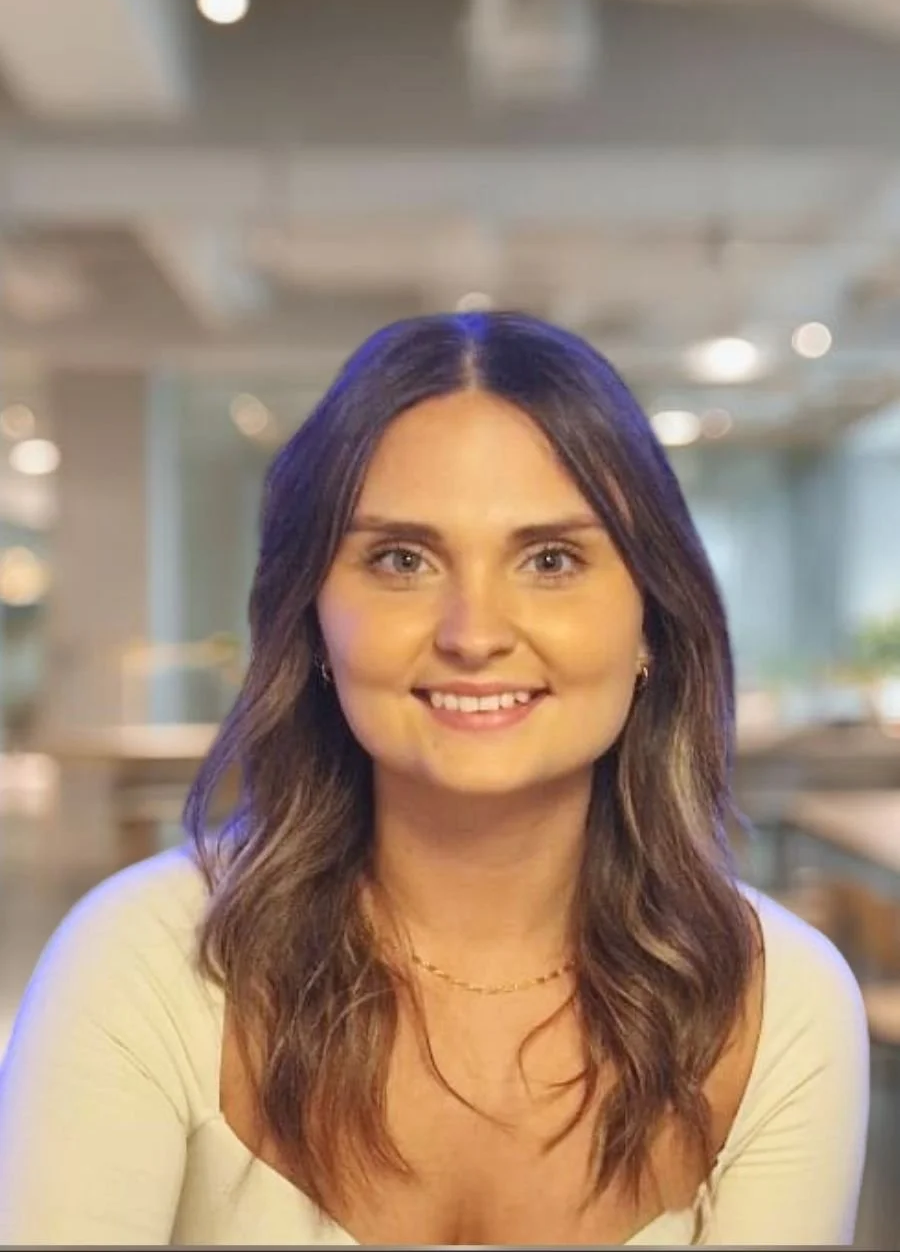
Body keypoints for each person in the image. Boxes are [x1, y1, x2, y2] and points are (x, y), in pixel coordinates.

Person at [0, 311, 869, 1247]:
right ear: (315, 623)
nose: (473, 632)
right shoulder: (141, 962)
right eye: (402, 560)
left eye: (550, 559)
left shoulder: (782, 1002)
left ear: (652, 622)